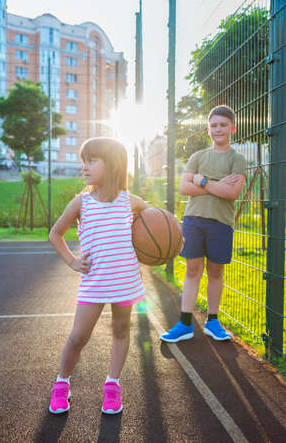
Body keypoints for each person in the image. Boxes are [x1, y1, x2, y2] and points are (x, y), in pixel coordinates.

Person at [48, 137, 149, 415]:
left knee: (120, 330)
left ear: (112, 163)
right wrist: (72, 261)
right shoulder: (81, 202)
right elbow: (55, 234)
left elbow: (154, 220)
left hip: (126, 281)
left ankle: (112, 385)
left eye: (91, 161)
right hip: (94, 283)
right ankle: (61, 383)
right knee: (79, 337)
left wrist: (166, 237)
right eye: (84, 161)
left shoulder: (130, 201)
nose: (85, 167)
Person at [160, 105, 247, 343]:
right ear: (208, 129)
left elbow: (232, 193)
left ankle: (212, 320)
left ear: (232, 128)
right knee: (192, 269)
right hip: (194, 220)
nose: (218, 129)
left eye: (223, 125)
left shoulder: (237, 159)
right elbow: (185, 187)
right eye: (214, 125)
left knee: (216, 271)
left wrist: (203, 181)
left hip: (221, 222)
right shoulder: (198, 156)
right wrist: (217, 184)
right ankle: (185, 323)